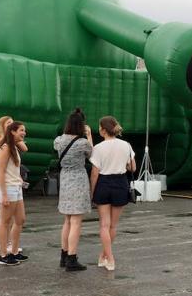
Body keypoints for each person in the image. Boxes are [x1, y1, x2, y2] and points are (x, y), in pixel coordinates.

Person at [90, 116, 136, 271]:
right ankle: (104, 256)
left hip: (103, 183)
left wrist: (92, 191)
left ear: (103, 130)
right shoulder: (126, 145)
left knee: (104, 224)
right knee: (113, 226)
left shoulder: (98, 148)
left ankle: (109, 258)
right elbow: (133, 168)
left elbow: (95, 173)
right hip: (120, 183)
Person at [55, 108, 93, 271]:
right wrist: (89, 135)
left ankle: (64, 256)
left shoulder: (58, 140)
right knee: (76, 221)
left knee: (67, 220)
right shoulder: (82, 143)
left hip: (64, 179)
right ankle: (72, 258)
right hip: (78, 179)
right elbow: (92, 154)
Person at [0, 116, 27, 254]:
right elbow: (1, 171)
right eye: (21, 130)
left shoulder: (14, 145)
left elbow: (25, 148)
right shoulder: (4, 146)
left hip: (16, 186)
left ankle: (14, 251)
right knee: (5, 221)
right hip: (8, 187)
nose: (24, 133)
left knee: (20, 219)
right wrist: (3, 194)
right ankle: (4, 254)